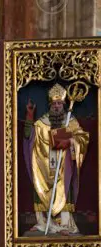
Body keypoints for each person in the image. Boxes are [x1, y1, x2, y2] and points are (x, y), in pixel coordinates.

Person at [24, 83, 91, 235]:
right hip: (43, 165)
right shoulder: (41, 123)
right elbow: (28, 136)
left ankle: (65, 225)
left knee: (64, 192)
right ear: (50, 105)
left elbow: (82, 138)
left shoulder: (70, 121)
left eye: (59, 103)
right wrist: (29, 116)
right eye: (54, 103)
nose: (56, 106)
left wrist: (71, 142)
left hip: (63, 166)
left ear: (64, 104)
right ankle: (42, 223)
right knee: (40, 188)